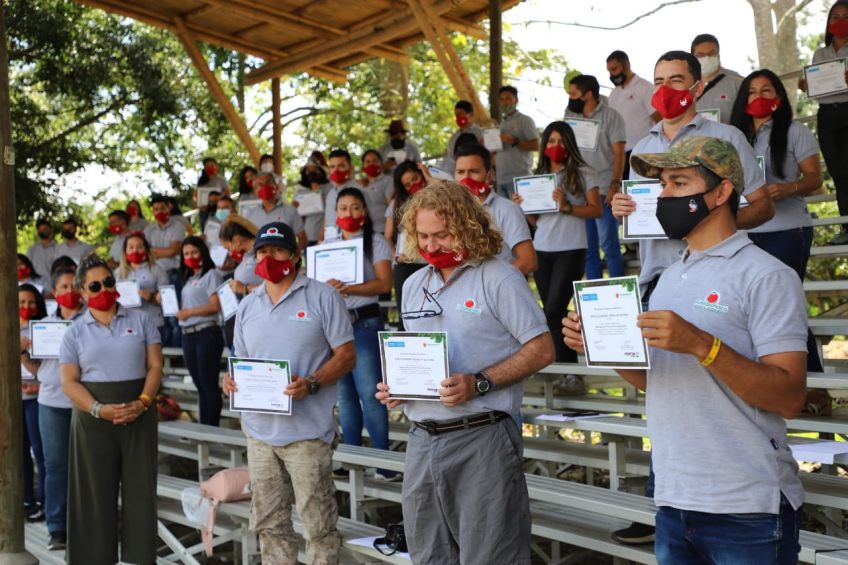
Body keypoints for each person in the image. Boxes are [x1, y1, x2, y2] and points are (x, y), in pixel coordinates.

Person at [565, 136, 807, 564]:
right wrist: (601, 348)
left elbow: (788, 397)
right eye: (662, 184)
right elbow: (660, 383)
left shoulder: (767, 275)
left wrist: (702, 344)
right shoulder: (669, 277)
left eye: (678, 183)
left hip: (747, 506)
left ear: (721, 191)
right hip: (673, 501)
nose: (663, 196)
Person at [609, 50, 774, 546]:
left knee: (712, 381)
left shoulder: (727, 137)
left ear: (698, 87)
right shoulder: (644, 146)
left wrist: (710, 223)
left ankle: (734, 503)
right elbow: (647, 211)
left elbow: (762, 205)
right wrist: (624, 208)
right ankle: (665, 499)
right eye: (658, 80)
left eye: (676, 80)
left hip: (715, 275)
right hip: (659, 276)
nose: (665, 90)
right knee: (664, 389)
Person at [376, 181, 555, 564]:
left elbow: (542, 349)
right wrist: (401, 387)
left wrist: (479, 382)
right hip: (421, 438)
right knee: (429, 555)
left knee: (490, 556)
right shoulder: (413, 284)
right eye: (423, 235)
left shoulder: (500, 277)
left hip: (482, 436)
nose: (431, 245)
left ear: (467, 226)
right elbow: (419, 358)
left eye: (441, 234)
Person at [221, 221, 355, 563]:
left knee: (318, 528)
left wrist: (312, 383)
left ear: (295, 256)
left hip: (307, 435)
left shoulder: (323, 296)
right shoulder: (247, 305)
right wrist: (230, 380)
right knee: (270, 526)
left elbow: (346, 356)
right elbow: (240, 362)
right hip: (259, 433)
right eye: (263, 251)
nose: (269, 257)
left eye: (278, 250)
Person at [60, 253, 162, 565]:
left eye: (108, 281)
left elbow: (155, 366)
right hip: (92, 422)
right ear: (82, 292)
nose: (104, 289)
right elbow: (69, 381)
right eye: (95, 285)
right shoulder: (74, 331)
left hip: (139, 416)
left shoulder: (141, 320)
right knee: (92, 496)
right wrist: (98, 409)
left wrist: (143, 402)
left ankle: (140, 559)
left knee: (141, 494)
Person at [512, 122, 601, 368]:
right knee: (551, 313)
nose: (556, 146)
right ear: (544, 145)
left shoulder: (584, 172)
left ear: (570, 144)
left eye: (561, 142)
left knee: (553, 310)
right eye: (551, 141)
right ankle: (563, 369)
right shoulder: (536, 176)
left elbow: (596, 209)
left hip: (571, 249)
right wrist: (523, 208)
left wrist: (567, 206)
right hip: (541, 249)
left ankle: (568, 369)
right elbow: (537, 221)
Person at [322, 187, 396, 480]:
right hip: (335, 328)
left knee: (371, 395)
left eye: (354, 207)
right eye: (343, 208)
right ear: (335, 213)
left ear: (364, 211)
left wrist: (347, 288)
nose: (348, 213)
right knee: (345, 397)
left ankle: (384, 465)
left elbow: (384, 284)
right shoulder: (326, 246)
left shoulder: (375, 241)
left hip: (364, 323)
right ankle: (351, 461)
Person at [37, 266, 86, 550]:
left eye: (74, 286)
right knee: (55, 467)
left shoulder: (92, 321)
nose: (69, 292)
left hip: (85, 403)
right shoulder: (42, 325)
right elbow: (37, 367)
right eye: (64, 287)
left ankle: (88, 524)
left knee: (88, 466)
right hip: (51, 403)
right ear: (55, 293)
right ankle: (57, 528)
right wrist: (24, 350)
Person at [565, 74, 627, 279]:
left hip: (603, 189)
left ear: (588, 94)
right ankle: (594, 293)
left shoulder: (611, 115)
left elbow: (619, 153)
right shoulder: (570, 114)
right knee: (588, 249)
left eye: (573, 93)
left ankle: (619, 292)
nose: (570, 97)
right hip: (579, 191)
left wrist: (614, 186)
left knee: (610, 247)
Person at [454, 143, 537, 275]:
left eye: (474, 171)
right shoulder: (450, 211)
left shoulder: (508, 209)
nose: (466, 178)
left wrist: (489, 283)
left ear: (490, 175)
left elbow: (528, 262)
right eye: (460, 172)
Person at [805, 1, 848, 244]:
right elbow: (817, 84)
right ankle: (846, 228)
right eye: (835, 17)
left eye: (846, 16)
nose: (840, 21)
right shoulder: (820, 54)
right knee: (837, 173)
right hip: (826, 115)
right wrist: (807, 84)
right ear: (829, 22)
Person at [172, 236, 224, 426]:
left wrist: (188, 313)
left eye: (194, 252)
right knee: (200, 387)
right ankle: (204, 429)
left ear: (202, 251)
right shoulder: (189, 279)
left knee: (209, 386)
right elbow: (185, 308)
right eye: (186, 254)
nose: (190, 256)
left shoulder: (211, 275)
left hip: (206, 333)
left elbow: (215, 305)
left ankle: (212, 430)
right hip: (188, 335)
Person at [386, 162, 429, 331]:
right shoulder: (396, 204)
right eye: (407, 184)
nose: (413, 185)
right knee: (406, 316)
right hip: (405, 265)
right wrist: (396, 257)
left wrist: (429, 176)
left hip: (431, 264)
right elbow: (388, 236)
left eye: (415, 178)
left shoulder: (438, 197)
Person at [606, 50, 661, 178]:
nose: (612, 74)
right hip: (620, 156)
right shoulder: (613, 94)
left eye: (614, 69)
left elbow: (660, 120)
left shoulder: (645, 87)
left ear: (627, 66)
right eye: (609, 71)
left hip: (643, 153)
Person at [19, 283, 47, 524]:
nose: (26, 306)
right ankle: (25, 499)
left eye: (30, 302)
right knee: (18, 453)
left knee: (40, 451)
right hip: (11, 402)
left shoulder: (42, 329)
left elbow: (44, 371)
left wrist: (22, 352)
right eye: (21, 302)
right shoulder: (5, 326)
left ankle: (43, 501)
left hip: (36, 399)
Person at [145, 195, 186, 348]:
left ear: (169, 208)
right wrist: (166, 251)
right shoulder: (148, 230)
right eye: (156, 209)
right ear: (152, 211)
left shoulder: (178, 226)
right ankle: (165, 352)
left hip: (173, 276)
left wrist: (154, 251)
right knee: (161, 317)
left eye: (163, 208)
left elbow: (174, 250)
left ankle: (176, 353)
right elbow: (147, 253)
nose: (160, 211)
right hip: (154, 277)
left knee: (174, 317)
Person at [219, 215, 263, 347]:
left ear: (236, 241)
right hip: (246, 322)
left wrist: (245, 288)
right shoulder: (247, 255)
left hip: (259, 322)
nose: (229, 253)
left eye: (228, 248)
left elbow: (280, 286)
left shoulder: (263, 253)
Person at [118, 232, 170, 341]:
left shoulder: (157, 270)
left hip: (153, 322)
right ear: (125, 251)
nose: (135, 251)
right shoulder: (117, 274)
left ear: (146, 249)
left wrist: (151, 297)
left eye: (140, 247)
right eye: (131, 247)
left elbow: (168, 301)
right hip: (126, 325)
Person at [241, 172, 308, 249]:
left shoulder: (290, 211)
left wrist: (293, 253)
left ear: (276, 187)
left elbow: (303, 239)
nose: (265, 187)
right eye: (260, 184)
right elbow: (245, 242)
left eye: (268, 183)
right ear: (255, 191)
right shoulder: (250, 215)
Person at [495, 86, 540, 199]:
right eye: (502, 99)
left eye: (508, 99)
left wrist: (514, 140)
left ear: (516, 100)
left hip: (520, 179)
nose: (504, 103)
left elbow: (536, 146)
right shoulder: (501, 124)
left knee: (520, 210)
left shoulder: (525, 120)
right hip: (500, 179)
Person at [691, 34, 743, 124]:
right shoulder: (685, 87)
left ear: (718, 56)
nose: (707, 58)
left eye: (712, 53)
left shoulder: (737, 84)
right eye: (701, 54)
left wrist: (733, 124)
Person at [322, 149, 363, 241]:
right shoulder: (331, 193)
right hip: (331, 241)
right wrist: (321, 240)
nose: (336, 170)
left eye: (341, 166)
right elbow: (327, 220)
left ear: (350, 168)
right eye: (332, 166)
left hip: (352, 242)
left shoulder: (359, 191)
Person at [292, 155, 332, 245]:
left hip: (328, 234)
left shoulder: (330, 187)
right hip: (308, 235)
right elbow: (297, 216)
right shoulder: (299, 191)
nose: (311, 172)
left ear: (321, 171)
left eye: (315, 169)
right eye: (308, 170)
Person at [441, 100, 484, 174]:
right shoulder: (454, 137)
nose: (457, 117)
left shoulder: (481, 134)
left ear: (471, 114)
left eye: (460, 114)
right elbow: (450, 158)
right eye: (456, 114)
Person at [361, 149, 394, 233]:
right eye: (368, 161)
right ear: (363, 165)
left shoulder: (388, 181)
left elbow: (392, 206)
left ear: (381, 164)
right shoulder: (360, 184)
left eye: (375, 161)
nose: (371, 164)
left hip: (383, 230)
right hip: (363, 230)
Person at [195, 157, 230, 227]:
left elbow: (228, 193)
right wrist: (199, 206)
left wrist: (223, 205)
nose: (210, 168)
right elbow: (195, 196)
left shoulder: (221, 179)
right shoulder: (200, 180)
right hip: (204, 211)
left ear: (216, 166)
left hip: (219, 210)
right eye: (207, 166)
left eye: (212, 165)